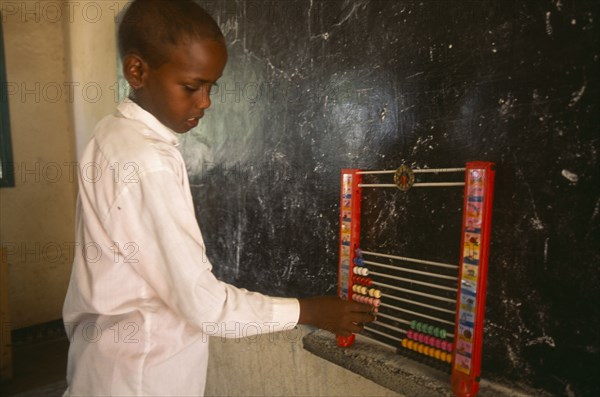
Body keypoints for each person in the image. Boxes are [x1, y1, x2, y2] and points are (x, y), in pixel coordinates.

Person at [62, 1, 375, 396]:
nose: (206, 101)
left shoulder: (112, 133)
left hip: (104, 364)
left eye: (213, 86)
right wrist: (309, 311)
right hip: (141, 377)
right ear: (137, 71)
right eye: (192, 87)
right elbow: (205, 307)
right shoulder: (146, 164)